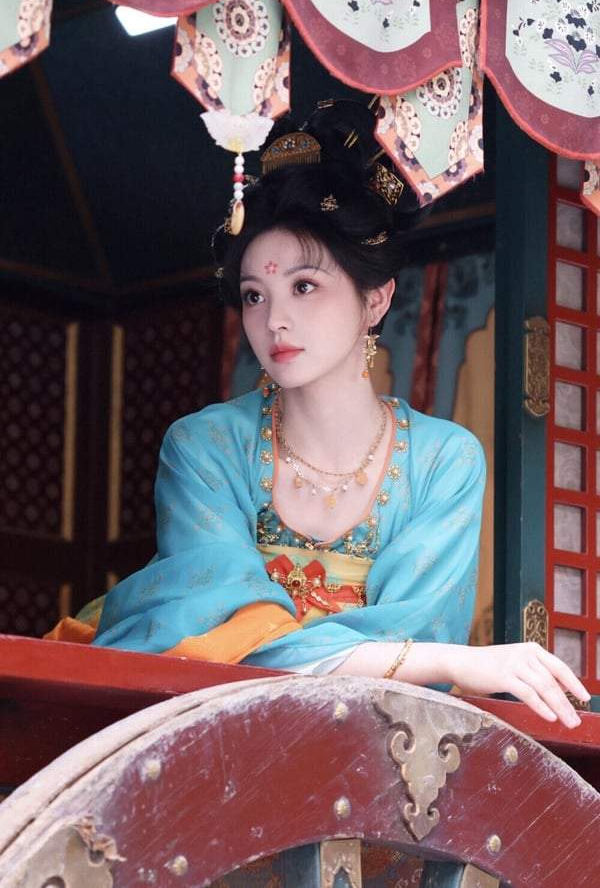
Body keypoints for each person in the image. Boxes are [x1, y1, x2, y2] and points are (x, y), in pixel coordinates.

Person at [47, 103, 589, 728]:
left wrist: (435, 656)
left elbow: (416, 641)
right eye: (254, 295)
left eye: (304, 286)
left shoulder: (443, 460)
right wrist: (454, 659)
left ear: (376, 300)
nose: (274, 320)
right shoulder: (206, 445)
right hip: (207, 722)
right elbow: (225, 639)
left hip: (370, 733)